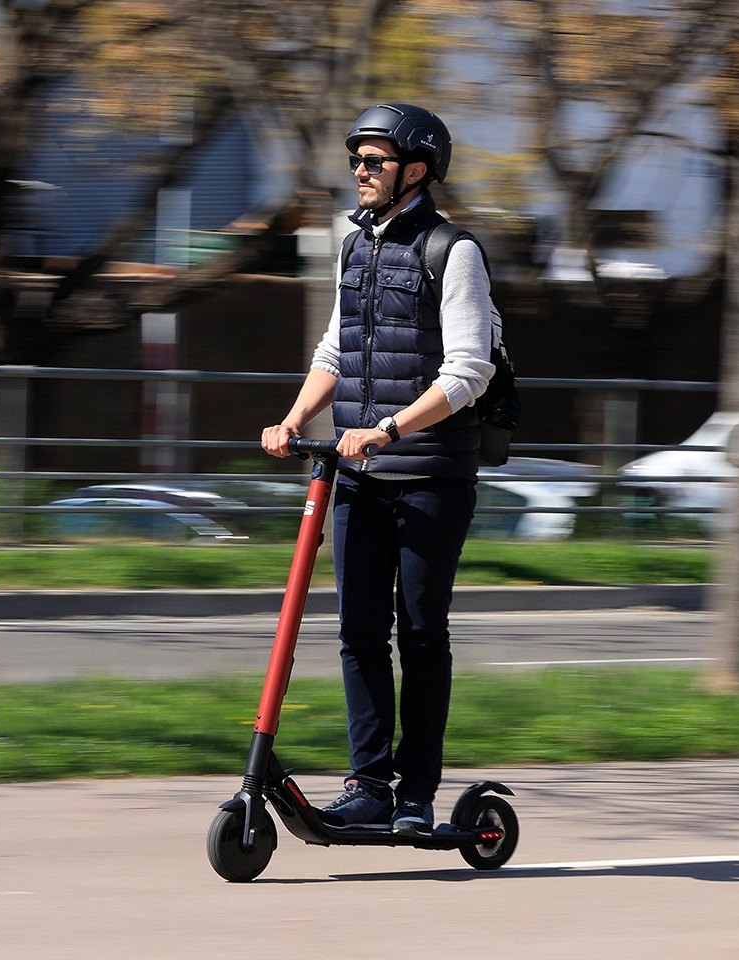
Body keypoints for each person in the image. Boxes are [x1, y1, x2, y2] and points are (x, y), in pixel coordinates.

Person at [261, 103, 495, 836]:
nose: (359, 171)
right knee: (359, 631)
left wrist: (388, 429)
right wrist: (297, 419)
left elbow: (468, 374)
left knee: (420, 632)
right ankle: (369, 784)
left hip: (431, 474)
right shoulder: (354, 247)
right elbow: (335, 350)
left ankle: (417, 790)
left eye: (374, 160)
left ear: (415, 170)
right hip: (355, 474)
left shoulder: (452, 251)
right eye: (356, 160)